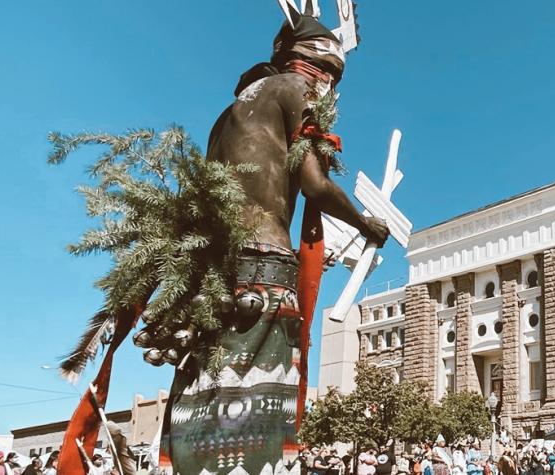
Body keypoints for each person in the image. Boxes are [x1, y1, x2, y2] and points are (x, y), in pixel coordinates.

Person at [153, 4, 389, 475]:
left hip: (214, 270)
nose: (325, 84)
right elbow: (315, 184)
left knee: (204, 384)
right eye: (323, 71)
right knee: (256, 397)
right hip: (262, 265)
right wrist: (366, 223)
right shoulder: (293, 91)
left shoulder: (229, 114)